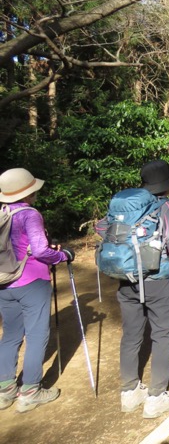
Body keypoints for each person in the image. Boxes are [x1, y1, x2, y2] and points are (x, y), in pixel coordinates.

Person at [106, 160, 169, 419]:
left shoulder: (126, 206)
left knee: (131, 335)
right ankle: (156, 397)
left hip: (126, 277)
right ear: (167, 185)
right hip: (157, 280)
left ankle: (129, 393)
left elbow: (102, 229)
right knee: (162, 335)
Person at [0, 168, 74, 413]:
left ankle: (5, 389)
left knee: (10, 335)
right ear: (28, 192)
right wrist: (62, 255)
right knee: (36, 335)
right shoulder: (30, 214)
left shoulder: (2, 212)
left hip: (4, 283)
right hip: (31, 281)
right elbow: (41, 251)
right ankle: (30, 391)